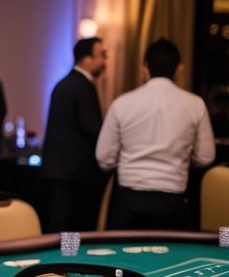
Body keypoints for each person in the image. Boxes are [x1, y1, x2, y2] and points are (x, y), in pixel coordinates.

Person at [96, 38, 215, 230]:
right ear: (180, 69)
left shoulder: (122, 103)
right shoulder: (196, 104)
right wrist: (181, 157)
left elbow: (104, 159)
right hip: (173, 203)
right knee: (174, 260)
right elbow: (205, 156)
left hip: (128, 202)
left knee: (120, 259)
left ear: (145, 68)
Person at [40, 37, 108, 232]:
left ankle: (60, 259)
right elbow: (91, 128)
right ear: (86, 59)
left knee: (60, 223)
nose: (104, 62)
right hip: (75, 173)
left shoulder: (65, 84)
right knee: (73, 225)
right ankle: (70, 259)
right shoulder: (82, 86)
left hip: (60, 170)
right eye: (101, 55)